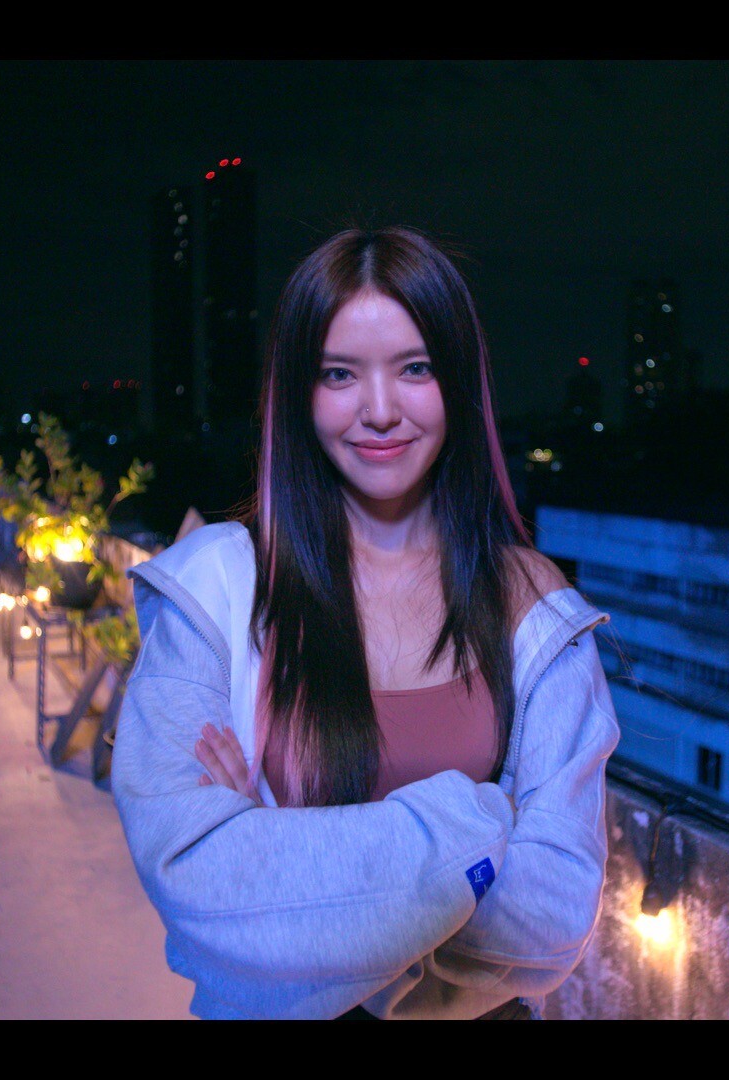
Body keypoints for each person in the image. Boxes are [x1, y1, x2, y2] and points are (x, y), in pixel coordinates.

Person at [111, 226, 620, 1020]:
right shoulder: (217, 588)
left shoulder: (529, 600)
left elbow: (551, 918)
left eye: (416, 368)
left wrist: (282, 868)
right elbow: (197, 883)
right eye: (339, 374)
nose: (380, 411)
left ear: (458, 382)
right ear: (298, 394)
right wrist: (484, 824)